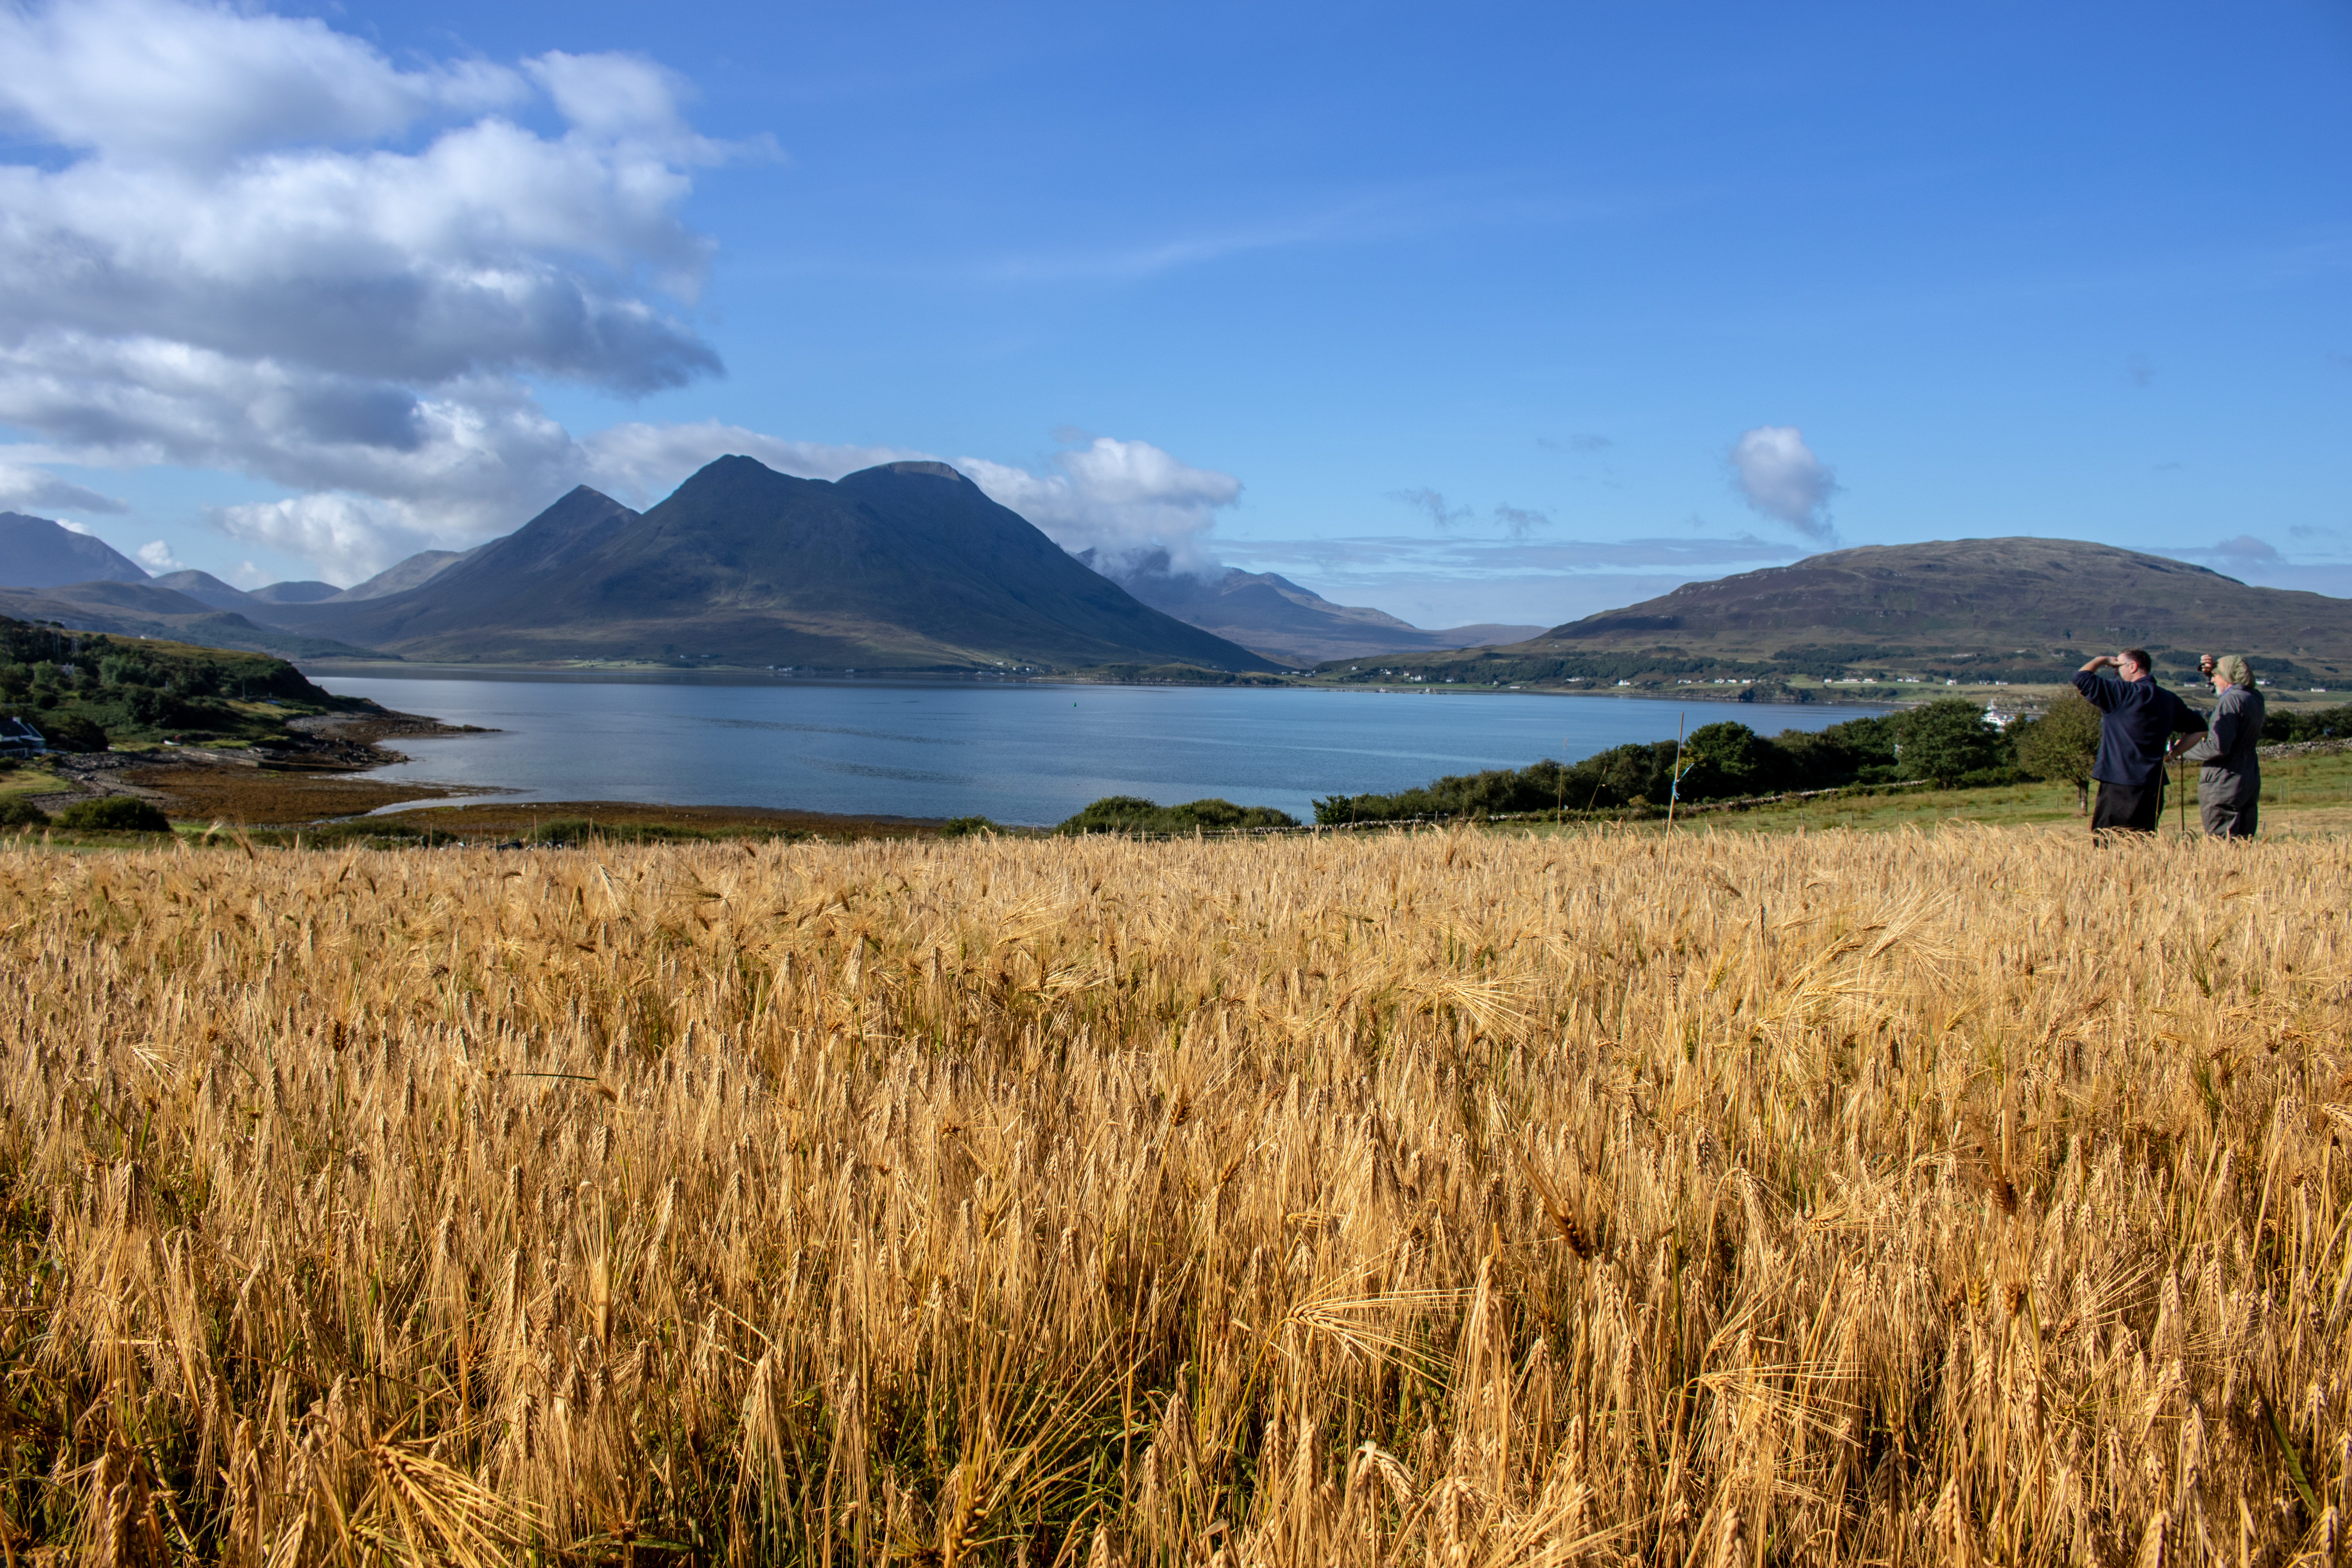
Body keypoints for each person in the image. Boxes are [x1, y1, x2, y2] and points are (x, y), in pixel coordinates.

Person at [2072, 648, 2206, 835]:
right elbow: (2199, 729)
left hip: (2119, 783)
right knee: (2142, 843)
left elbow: (2081, 678)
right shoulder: (2169, 699)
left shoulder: (2123, 693)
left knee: (2109, 842)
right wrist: (2173, 754)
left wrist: (2101, 660)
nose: (2116, 671)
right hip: (2153, 785)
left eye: (2118, 665)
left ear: (2133, 666)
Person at [2182, 654, 2264, 838]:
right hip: (2249, 777)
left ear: (2227, 677)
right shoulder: (2255, 698)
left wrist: (2182, 750)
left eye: (2215, 676)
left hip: (2224, 781)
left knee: (2221, 845)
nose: (2212, 680)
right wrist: (2210, 674)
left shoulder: (2230, 701)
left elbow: (2217, 747)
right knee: (2244, 843)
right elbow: (2224, 689)